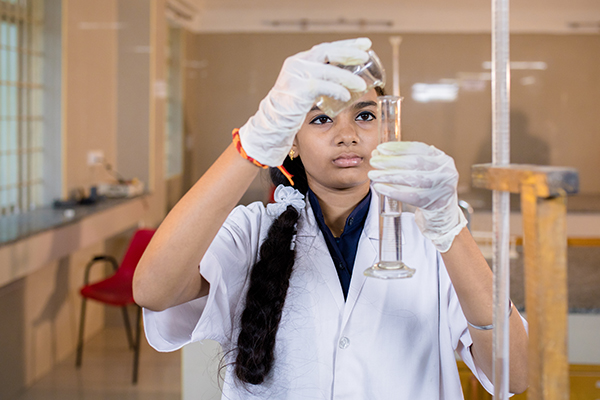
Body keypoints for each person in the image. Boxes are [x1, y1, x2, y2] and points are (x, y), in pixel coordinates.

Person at [133, 38, 528, 399]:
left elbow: (516, 373)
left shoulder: (430, 242)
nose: (348, 135)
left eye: (365, 116)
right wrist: (250, 145)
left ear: (386, 128)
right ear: (290, 139)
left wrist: (449, 226)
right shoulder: (252, 232)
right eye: (322, 119)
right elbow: (153, 289)